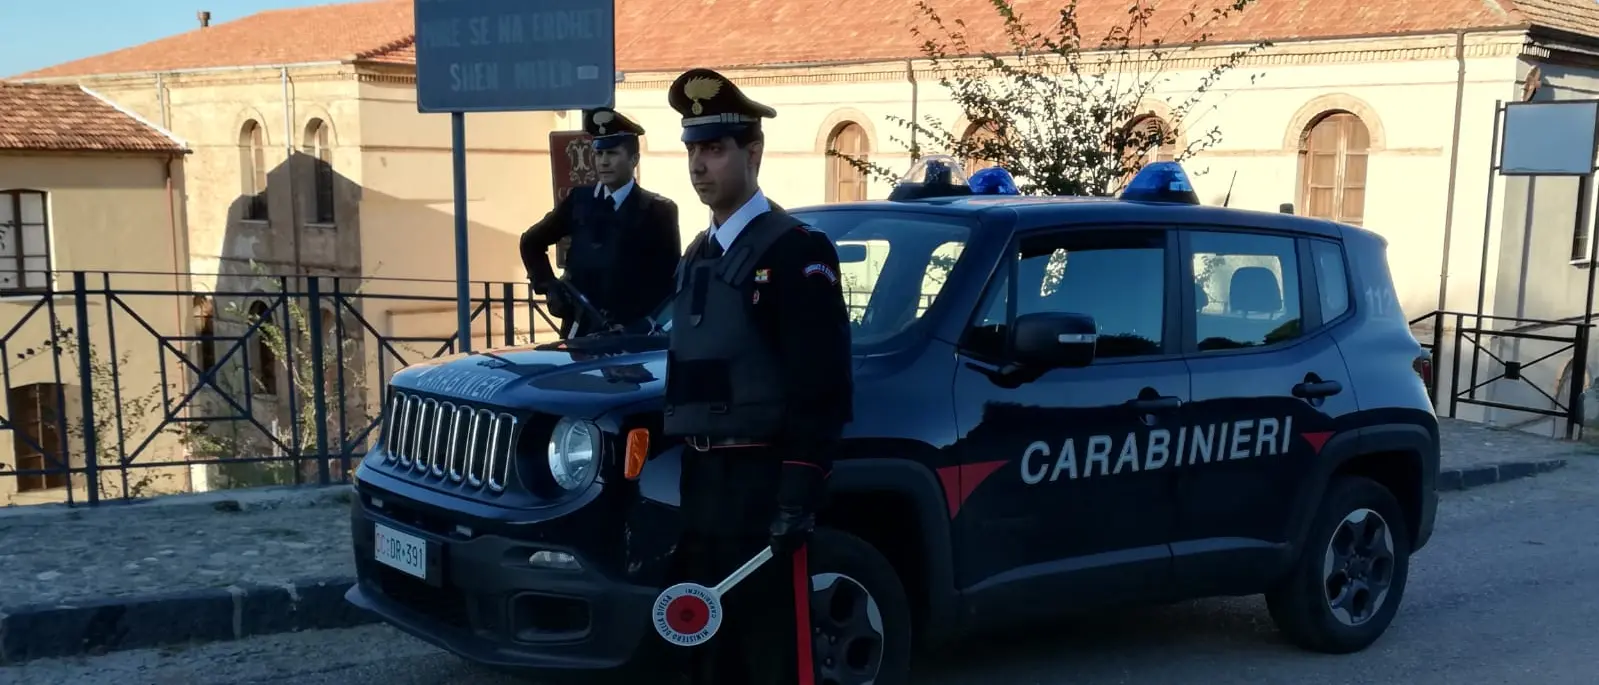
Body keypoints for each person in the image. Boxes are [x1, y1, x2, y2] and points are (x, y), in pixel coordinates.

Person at [660, 68, 854, 685]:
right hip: (703, 481)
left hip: (762, 482)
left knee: (769, 648)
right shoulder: (698, 255)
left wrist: (799, 487)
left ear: (753, 151)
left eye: (714, 149)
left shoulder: (795, 252)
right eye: (692, 149)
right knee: (705, 645)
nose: (699, 165)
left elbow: (820, 382)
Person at [519, 108, 681, 337]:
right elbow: (531, 241)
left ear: (634, 159)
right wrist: (548, 286)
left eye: (612, 154)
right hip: (580, 333)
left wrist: (645, 327)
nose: (603, 162)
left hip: (631, 339)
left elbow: (670, 283)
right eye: (599, 154)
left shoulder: (658, 210)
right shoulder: (580, 200)